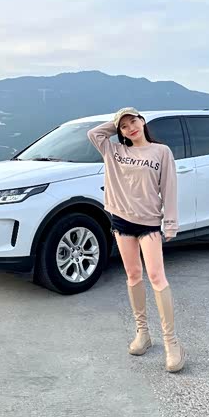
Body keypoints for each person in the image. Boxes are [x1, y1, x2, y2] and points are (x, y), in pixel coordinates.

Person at [87, 106, 186, 373]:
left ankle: (171, 342)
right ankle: (143, 332)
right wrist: (117, 122)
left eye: (134, 121)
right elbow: (94, 134)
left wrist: (171, 222)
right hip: (121, 221)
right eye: (124, 126)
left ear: (143, 121)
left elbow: (169, 187)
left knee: (157, 276)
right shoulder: (114, 150)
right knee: (133, 275)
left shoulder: (161, 151)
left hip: (149, 222)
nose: (130, 127)